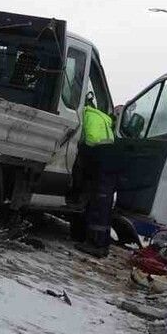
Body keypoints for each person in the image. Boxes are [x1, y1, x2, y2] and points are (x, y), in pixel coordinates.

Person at [76, 92, 116, 258]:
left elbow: (91, 139)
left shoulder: (87, 116)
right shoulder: (103, 117)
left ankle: (97, 245)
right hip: (109, 166)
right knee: (103, 207)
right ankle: (102, 243)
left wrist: (82, 146)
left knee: (98, 208)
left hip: (101, 169)